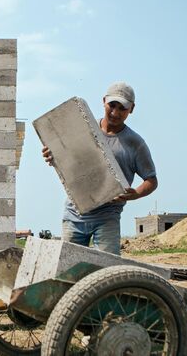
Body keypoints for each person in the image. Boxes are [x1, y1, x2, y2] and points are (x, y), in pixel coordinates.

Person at [42, 82, 157, 255]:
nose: (115, 113)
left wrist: (136, 194)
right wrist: (53, 157)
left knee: (106, 270)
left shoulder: (135, 143)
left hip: (107, 217)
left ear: (131, 109)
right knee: (67, 270)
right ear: (104, 101)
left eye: (122, 108)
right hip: (74, 214)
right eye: (112, 105)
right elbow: (68, 162)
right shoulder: (82, 130)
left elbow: (151, 180)